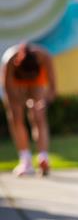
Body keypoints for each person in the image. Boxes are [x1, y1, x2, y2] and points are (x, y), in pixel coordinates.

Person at [1, 43, 56, 176]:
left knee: (39, 116)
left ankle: (43, 157)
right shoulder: (9, 61)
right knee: (15, 117)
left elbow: (52, 89)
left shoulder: (45, 57)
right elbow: (8, 92)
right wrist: (20, 101)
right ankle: (25, 160)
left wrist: (43, 103)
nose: (28, 79)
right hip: (16, 79)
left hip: (37, 79)